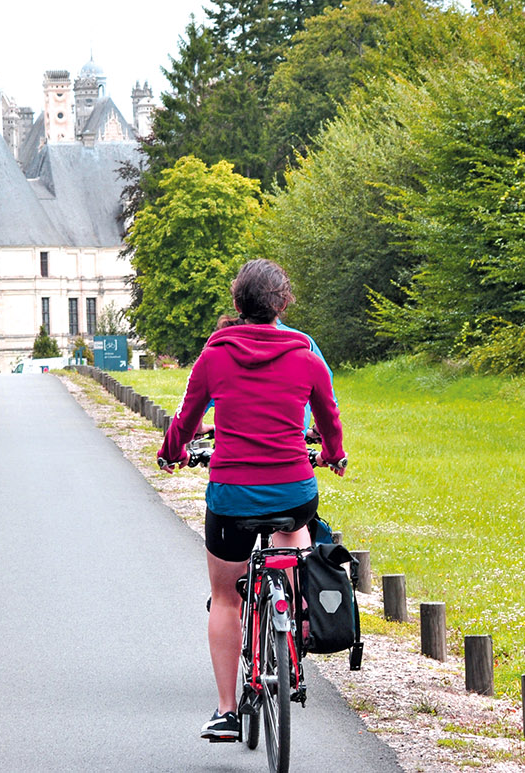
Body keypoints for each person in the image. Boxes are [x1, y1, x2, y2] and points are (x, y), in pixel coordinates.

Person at [156, 259, 346, 742]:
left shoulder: (214, 355)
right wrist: (333, 455)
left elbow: (185, 418)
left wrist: (171, 452)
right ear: (283, 304)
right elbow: (328, 418)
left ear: (237, 306)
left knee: (225, 596)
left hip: (233, 495)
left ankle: (225, 711)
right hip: (294, 489)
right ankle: (293, 626)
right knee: (295, 538)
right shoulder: (306, 355)